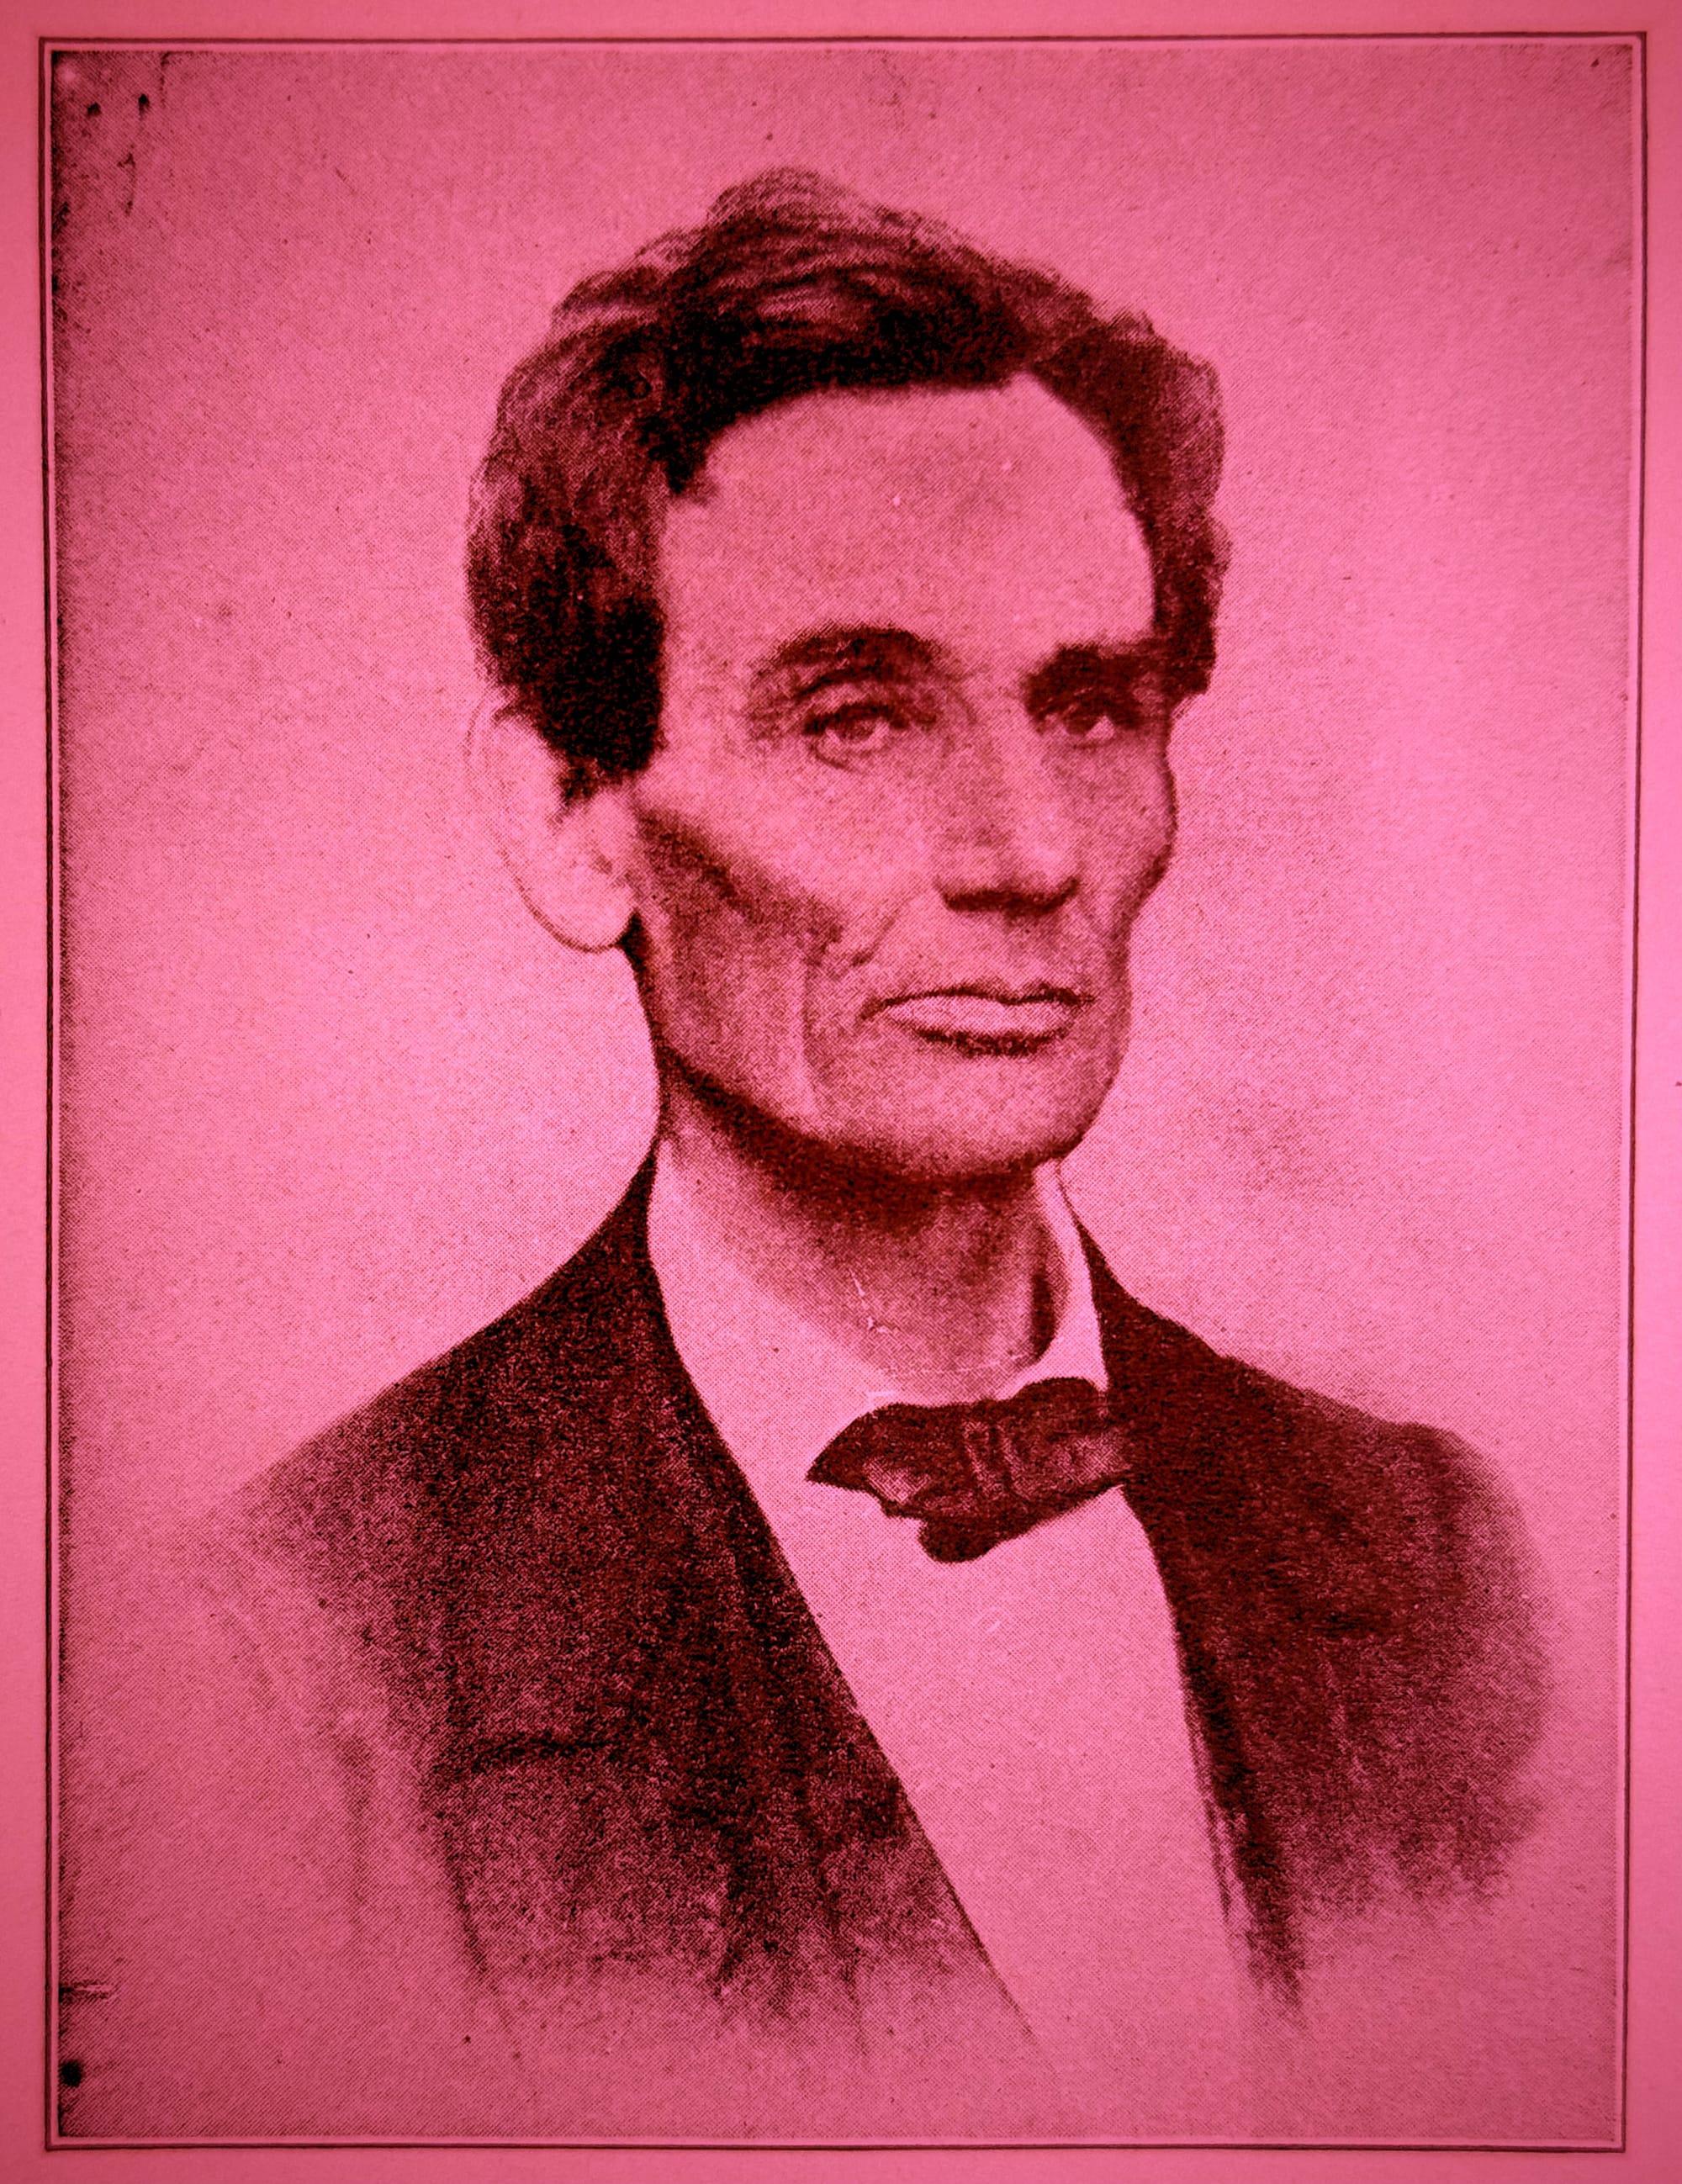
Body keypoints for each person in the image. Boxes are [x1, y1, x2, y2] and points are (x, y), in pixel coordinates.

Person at [59, 170, 1546, 2143]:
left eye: (1090, 708)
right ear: (572, 815)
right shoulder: (275, 1667)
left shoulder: (1437, 1556)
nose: (1027, 852)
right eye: (855, 721)